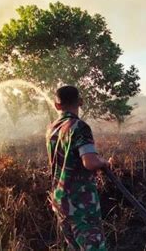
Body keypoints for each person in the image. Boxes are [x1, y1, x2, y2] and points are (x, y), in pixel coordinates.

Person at [46, 85, 110, 251]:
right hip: (80, 203)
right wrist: (103, 162)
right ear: (80, 102)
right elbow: (89, 162)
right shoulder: (79, 127)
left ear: (56, 105)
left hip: (60, 201)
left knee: (73, 247)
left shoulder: (51, 129)